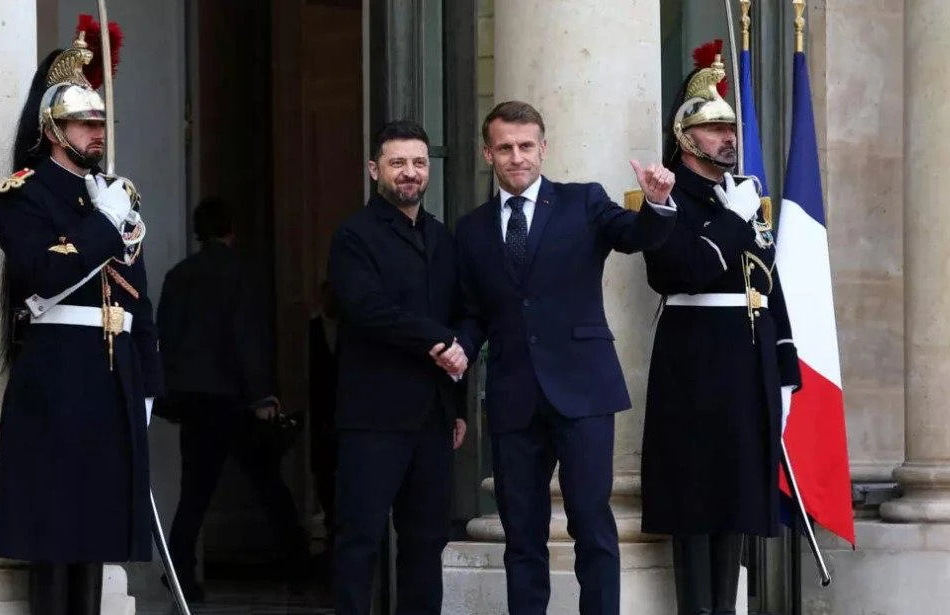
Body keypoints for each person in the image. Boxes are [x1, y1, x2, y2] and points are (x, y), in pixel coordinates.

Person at [451, 101, 675, 615]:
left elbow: (635, 236)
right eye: (505, 148)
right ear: (488, 154)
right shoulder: (471, 229)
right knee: (521, 533)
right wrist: (460, 348)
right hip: (513, 397)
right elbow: (472, 312)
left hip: (584, 391)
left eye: (525, 146)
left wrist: (657, 204)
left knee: (591, 524)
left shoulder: (583, 201)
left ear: (543, 149)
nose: (516, 157)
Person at [0, 19, 162, 615]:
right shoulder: (22, 193)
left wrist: (148, 381)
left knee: (100, 527)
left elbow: (138, 296)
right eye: (85, 123)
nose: (97, 132)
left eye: (100, 122)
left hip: (115, 370)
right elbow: (43, 272)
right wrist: (104, 223)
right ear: (52, 129)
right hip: (58, 369)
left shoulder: (114, 192)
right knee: (56, 526)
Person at [640, 42, 801, 615]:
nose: (727, 137)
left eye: (730, 128)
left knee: (735, 495)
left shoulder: (740, 194)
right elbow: (680, 270)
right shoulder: (670, 200)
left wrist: (785, 364)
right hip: (696, 358)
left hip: (746, 358)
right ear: (685, 136)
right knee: (695, 497)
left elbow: (767, 281)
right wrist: (733, 220)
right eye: (713, 128)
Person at [327, 119, 468, 615]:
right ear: (375, 170)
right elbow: (366, 308)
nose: (410, 172)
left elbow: (459, 315)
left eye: (419, 163)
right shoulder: (354, 235)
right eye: (398, 163)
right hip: (373, 415)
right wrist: (437, 341)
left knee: (426, 541)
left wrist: (457, 404)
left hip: (433, 415)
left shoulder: (442, 238)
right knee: (359, 538)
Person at [157, 197, 309, 601]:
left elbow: (166, 339)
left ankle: (179, 572)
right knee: (269, 485)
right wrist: (262, 396)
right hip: (235, 400)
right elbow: (246, 338)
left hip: (195, 401)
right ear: (231, 230)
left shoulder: (178, 276)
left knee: (194, 494)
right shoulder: (241, 274)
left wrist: (169, 395)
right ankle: (298, 563)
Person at [307, 280, 340, 556]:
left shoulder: (352, 329)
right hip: (320, 413)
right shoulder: (312, 328)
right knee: (323, 472)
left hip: (347, 411)